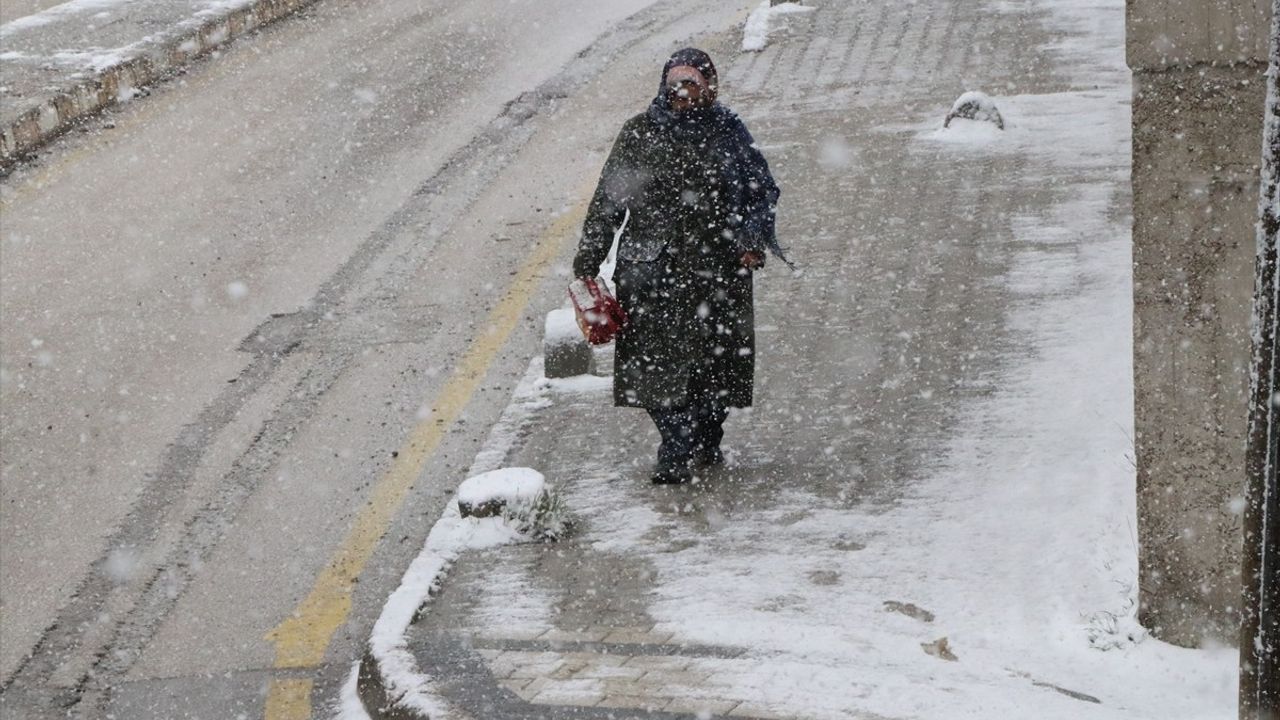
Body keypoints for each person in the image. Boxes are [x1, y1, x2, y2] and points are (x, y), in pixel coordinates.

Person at [572, 48, 782, 485]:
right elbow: (609, 200)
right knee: (653, 368)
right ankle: (676, 441)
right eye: (676, 89)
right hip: (651, 273)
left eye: (693, 88)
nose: (683, 97)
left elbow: (761, 189)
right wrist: (588, 262)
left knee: (717, 365)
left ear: (711, 88)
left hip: (718, 270)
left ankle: (707, 436)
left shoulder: (728, 131)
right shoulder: (640, 133)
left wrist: (750, 239)